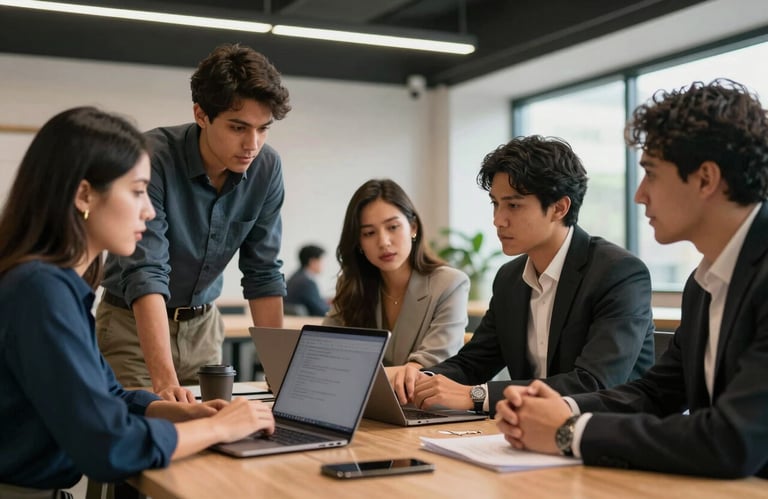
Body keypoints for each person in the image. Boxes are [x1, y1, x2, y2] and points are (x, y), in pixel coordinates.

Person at [495, 80, 768, 479]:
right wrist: (562, 408)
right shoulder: (703, 284)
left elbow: (731, 440)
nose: (640, 195)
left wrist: (570, 432)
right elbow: (657, 392)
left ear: (706, 179)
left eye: (651, 175)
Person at [0, 107, 274, 495]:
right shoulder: (40, 291)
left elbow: (104, 394)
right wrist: (218, 428)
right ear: (84, 194)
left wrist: (178, 411)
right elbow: (108, 446)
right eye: (137, 191)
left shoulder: (52, 283)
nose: (148, 209)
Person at [394, 136, 655, 416]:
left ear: (559, 208)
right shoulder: (510, 278)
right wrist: (421, 381)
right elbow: (474, 362)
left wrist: (477, 395)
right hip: (527, 435)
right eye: (495, 204)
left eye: (513, 206)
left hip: (606, 437)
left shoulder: (618, 272)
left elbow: (593, 382)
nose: (498, 220)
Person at [96, 43, 292, 402]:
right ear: (201, 115)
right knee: (146, 435)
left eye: (263, 129)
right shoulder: (151, 157)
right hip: (132, 327)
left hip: (203, 328)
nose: (252, 144)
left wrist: (281, 376)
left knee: (214, 443)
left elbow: (263, 271)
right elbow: (146, 272)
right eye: (238, 127)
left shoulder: (267, 167)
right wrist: (165, 384)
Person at [323, 179, 469, 380]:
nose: (383, 242)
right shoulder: (352, 285)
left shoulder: (449, 284)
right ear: (358, 243)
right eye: (369, 233)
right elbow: (322, 352)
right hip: (366, 407)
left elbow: (429, 366)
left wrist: (350, 376)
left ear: (413, 227)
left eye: (392, 227)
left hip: (424, 406)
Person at [285, 244, 330, 316]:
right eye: (321, 261)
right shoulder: (307, 283)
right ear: (312, 261)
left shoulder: (295, 277)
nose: (323, 265)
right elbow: (321, 311)